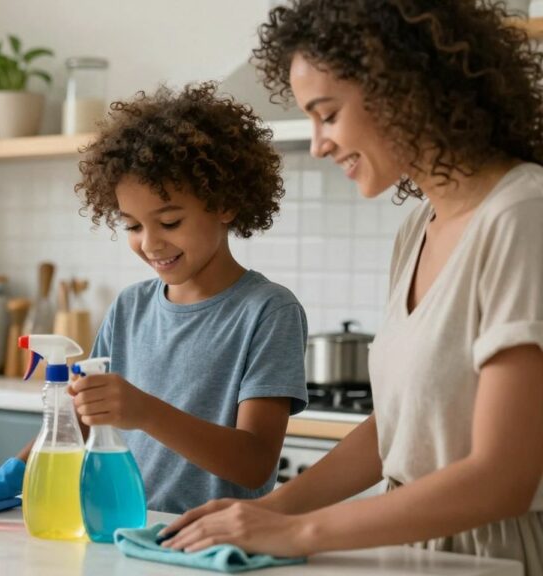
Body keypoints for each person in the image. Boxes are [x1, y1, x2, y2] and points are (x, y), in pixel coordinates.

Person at [160, 1, 543, 571]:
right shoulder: (419, 226)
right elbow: (395, 427)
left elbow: (501, 479)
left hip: (493, 559)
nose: (317, 143)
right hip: (412, 554)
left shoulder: (522, 215)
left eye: (328, 114)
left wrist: (301, 533)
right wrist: (267, 514)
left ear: (403, 88)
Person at [68, 83, 309, 514]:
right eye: (132, 227)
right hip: (125, 533)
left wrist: (145, 412)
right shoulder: (130, 308)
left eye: (170, 221)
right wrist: (12, 472)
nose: (150, 243)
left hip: (208, 544)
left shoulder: (268, 311)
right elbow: (83, 425)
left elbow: (254, 463)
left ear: (225, 204)